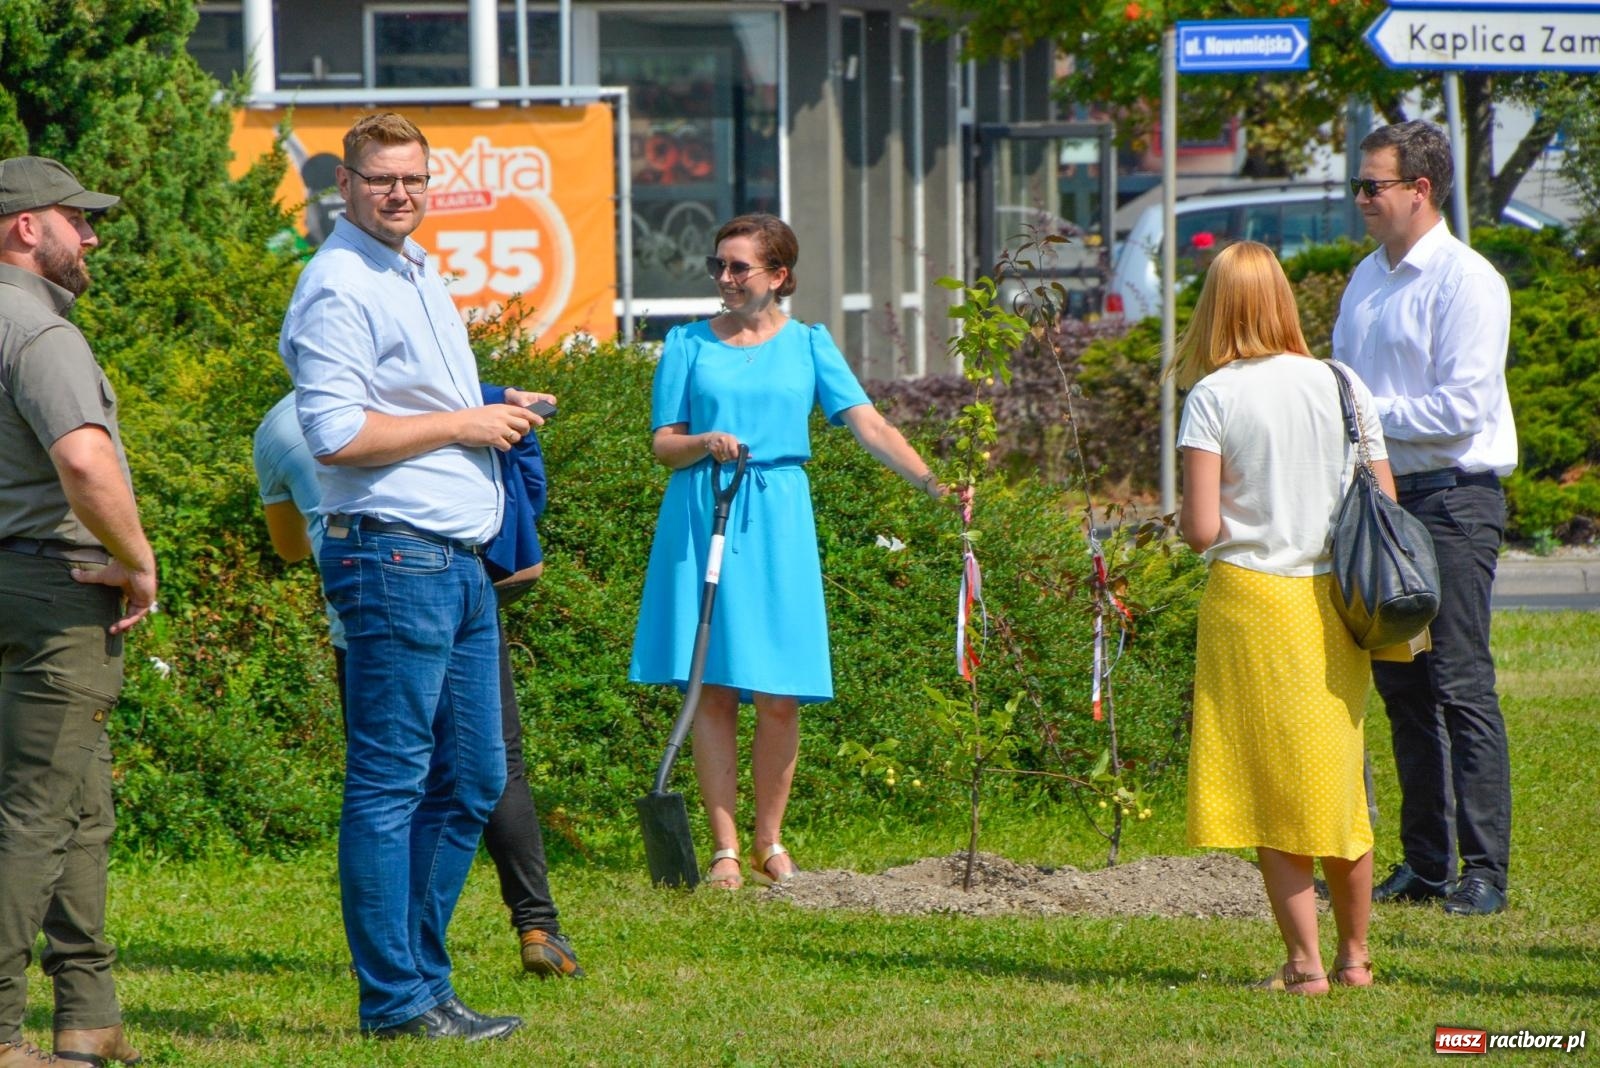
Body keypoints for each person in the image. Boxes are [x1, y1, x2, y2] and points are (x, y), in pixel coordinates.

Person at [278, 112, 554, 1040]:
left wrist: (489, 403)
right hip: (392, 555)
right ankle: (396, 1001)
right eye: (381, 179)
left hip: (455, 559)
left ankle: (423, 984)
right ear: (346, 187)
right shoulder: (337, 284)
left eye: (415, 179)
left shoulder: (414, 272)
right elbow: (337, 436)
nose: (400, 193)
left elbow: (405, 402)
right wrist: (465, 427)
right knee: (391, 782)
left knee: (474, 776)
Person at [628, 213, 945, 890]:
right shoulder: (685, 344)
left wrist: (932, 482)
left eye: (739, 267)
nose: (725, 278)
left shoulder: (809, 345)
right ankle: (725, 850)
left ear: (779, 275)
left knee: (779, 693)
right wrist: (705, 442)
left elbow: (869, 423)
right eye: (718, 265)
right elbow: (662, 444)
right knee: (710, 688)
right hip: (702, 509)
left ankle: (772, 841)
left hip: (778, 518)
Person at [252, 391, 583, 979]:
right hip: (448, 597)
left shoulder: (276, 429)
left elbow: (289, 546)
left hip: (356, 621)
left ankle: (392, 951)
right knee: (489, 765)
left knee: (389, 784)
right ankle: (536, 926)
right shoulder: (411, 404)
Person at [1175, 241, 1394, 995]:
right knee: (1336, 779)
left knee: (1273, 787)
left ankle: (1304, 964)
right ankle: (1356, 957)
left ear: (1216, 307)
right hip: (1337, 601)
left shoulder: (1213, 395)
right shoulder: (1343, 384)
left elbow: (1202, 530)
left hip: (1251, 601)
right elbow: (1385, 503)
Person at [1332, 120, 1516, 917]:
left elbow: (1461, 408)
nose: (1362, 199)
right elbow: (1338, 384)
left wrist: (1365, 415)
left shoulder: (1466, 281)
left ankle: (1485, 871)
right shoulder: (1365, 280)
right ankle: (1427, 863)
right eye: (1359, 186)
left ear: (1421, 190)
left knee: (1460, 682)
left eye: (1373, 185)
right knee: (1402, 682)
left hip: (1452, 499)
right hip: (1382, 505)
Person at [0, 157, 153, 1067]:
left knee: (81, 805)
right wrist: (138, 563)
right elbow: (87, 462)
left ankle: (88, 1017)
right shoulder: (41, 332)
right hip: (59, 589)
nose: (91, 237)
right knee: (33, 815)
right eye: (77, 220)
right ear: (25, 228)